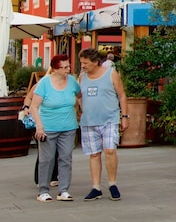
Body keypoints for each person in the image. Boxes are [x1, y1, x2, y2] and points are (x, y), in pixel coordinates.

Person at [78, 47, 129, 201]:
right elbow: (79, 96)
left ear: (95, 62)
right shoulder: (82, 77)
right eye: (81, 63)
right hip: (89, 121)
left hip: (109, 119)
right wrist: (81, 109)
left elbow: (122, 95)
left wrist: (124, 116)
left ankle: (112, 184)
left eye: (85, 63)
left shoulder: (111, 74)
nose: (83, 66)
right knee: (94, 154)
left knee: (110, 150)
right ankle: (96, 187)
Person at [28, 54, 80, 202]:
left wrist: (81, 112)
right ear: (55, 69)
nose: (68, 70)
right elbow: (34, 106)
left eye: (68, 66)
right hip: (48, 127)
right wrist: (39, 126)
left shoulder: (72, 82)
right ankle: (43, 191)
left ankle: (63, 190)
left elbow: (80, 96)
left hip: (68, 127)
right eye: (64, 67)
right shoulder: (44, 83)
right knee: (47, 159)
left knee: (66, 158)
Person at [24, 67, 60, 187]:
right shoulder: (41, 84)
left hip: (57, 121)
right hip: (41, 120)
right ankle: (40, 178)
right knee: (44, 151)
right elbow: (28, 97)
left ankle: (54, 176)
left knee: (57, 151)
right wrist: (26, 108)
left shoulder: (62, 84)